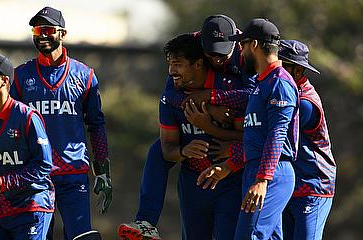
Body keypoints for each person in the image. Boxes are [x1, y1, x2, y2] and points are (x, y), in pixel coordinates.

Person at [118, 15, 254, 240]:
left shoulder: (242, 58)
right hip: (194, 180)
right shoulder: (185, 53)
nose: (218, 60)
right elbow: (169, 97)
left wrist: (212, 102)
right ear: (202, 49)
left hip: (230, 177)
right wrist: (205, 110)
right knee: (156, 150)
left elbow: (254, 98)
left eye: (224, 54)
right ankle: (145, 222)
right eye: (212, 54)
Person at [10, 6, 110, 240]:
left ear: (62, 33)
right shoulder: (21, 76)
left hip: (73, 175)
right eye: (37, 30)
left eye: (47, 29)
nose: (42, 35)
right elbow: (11, 128)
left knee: (81, 237)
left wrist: (103, 171)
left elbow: (96, 124)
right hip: (35, 177)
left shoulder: (84, 75)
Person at [198, 18, 300, 239]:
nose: (240, 52)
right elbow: (255, 138)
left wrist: (263, 180)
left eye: (242, 45)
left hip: (272, 173)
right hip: (256, 170)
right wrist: (229, 166)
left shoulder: (279, 83)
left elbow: (277, 135)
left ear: (253, 44)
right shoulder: (261, 83)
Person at [0, 53, 54, 240]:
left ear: (4, 80)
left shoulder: (27, 117)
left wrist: (3, 182)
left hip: (31, 205)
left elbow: (44, 165)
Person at [279, 40, 336, 240]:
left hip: (313, 186)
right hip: (291, 186)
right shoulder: (286, 93)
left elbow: (274, 136)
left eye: (283, 66)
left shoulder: (305, 104)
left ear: (297, 71)